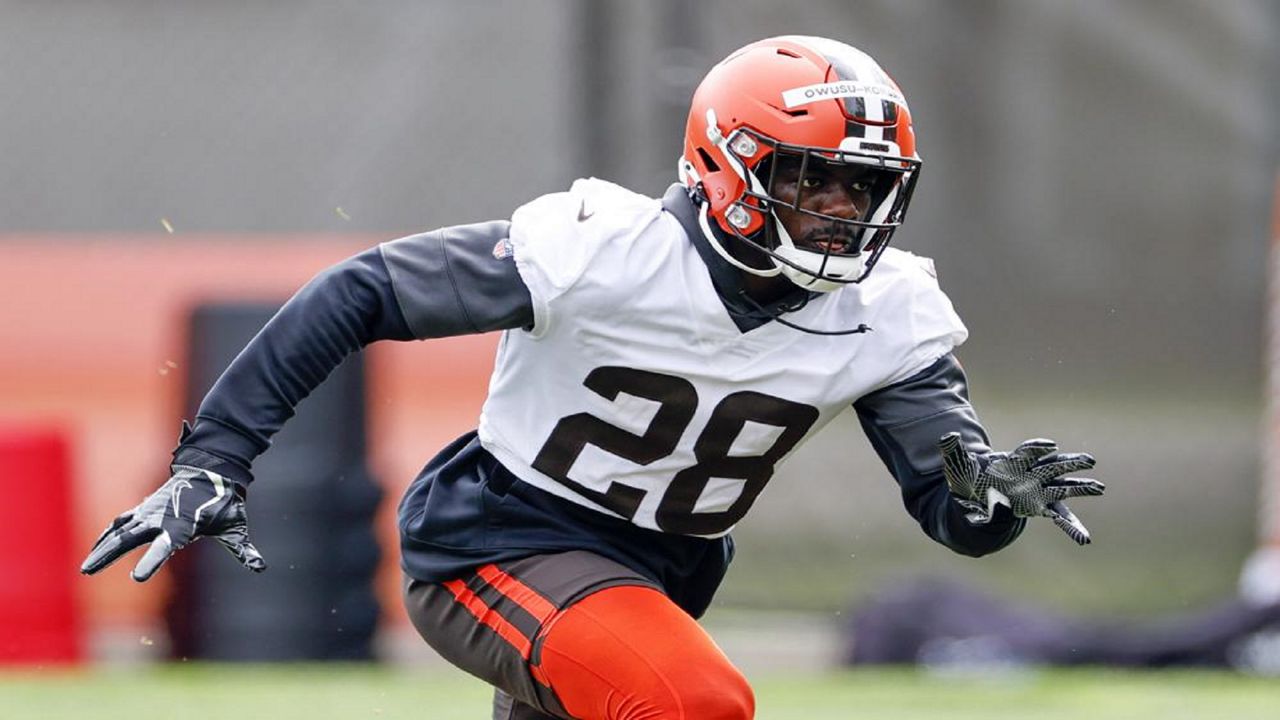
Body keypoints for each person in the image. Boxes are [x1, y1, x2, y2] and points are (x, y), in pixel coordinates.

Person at [81, 36, 1105, 720]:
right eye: (809, 174)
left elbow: (951, 508)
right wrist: (216, 458)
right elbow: (361, 291)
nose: (840, 205)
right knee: (693, 702)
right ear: (725, 162)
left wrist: (988, 501)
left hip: (659, 574)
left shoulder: (890, 308)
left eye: (862, 183)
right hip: (502, 541)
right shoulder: (602, 251)